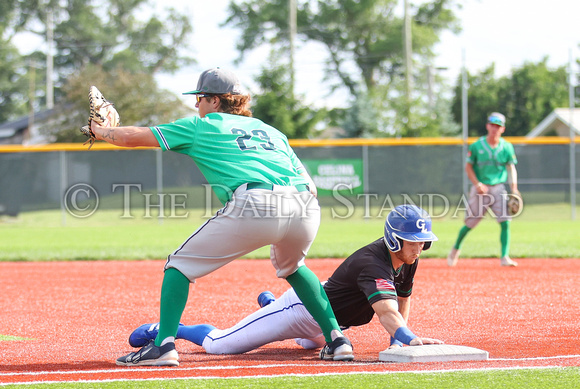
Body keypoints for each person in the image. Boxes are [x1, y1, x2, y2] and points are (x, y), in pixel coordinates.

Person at [88, 67, 353, 366]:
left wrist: (102, 132)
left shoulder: (203, 126)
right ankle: (337, 340)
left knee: (179, 265)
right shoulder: (271, 131)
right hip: (306, 206)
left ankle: (162, 346)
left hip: (257, 202)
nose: (196, 105)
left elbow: (134, 137)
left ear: (216, 101)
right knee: (294, 267)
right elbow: (312, 186)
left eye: (200, 97)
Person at [125, 205, 444, 357]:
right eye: (411, 240)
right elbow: (388, 312)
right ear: (392, 239)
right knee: (221, 346)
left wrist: (397, 340)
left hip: (332, 325)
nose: (418, 248)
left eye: (422, 241)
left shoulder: (407, 258)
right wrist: (407, 334)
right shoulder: (372, 263)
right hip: (304, 312)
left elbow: (403, 298)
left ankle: (271, 305)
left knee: (311, 343)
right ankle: (166, 330)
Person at [448, 112, 519, 267]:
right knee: (470, 223)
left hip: (499, 188)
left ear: (503, 129)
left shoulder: (506, 147)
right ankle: (455, 249)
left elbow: (510, 167)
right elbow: (468, 166)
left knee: (505, 222)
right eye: (492, 125)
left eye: (498, 126)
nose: (495, 128)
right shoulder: (477, 145)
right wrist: (477, 183)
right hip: (480, 189)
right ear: (487, 126)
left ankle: (504, 257)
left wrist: (514, 189)